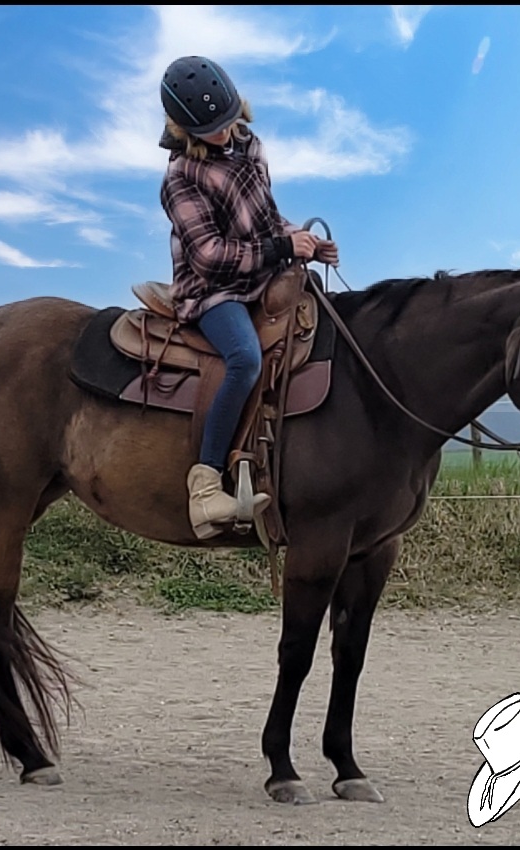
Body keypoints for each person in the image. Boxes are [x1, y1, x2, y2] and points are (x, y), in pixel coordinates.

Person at [158, 55, 339, 540]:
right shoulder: (180, 177)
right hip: (212, 291)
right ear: (185, 128)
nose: (223, 133)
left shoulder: (250, 145)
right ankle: (206, 482)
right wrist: (281, 248)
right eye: (210, 128)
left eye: (227, 120)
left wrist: (304, 241)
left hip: (262, 273)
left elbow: (266, 218)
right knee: (244, 357)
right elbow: (209, 256)